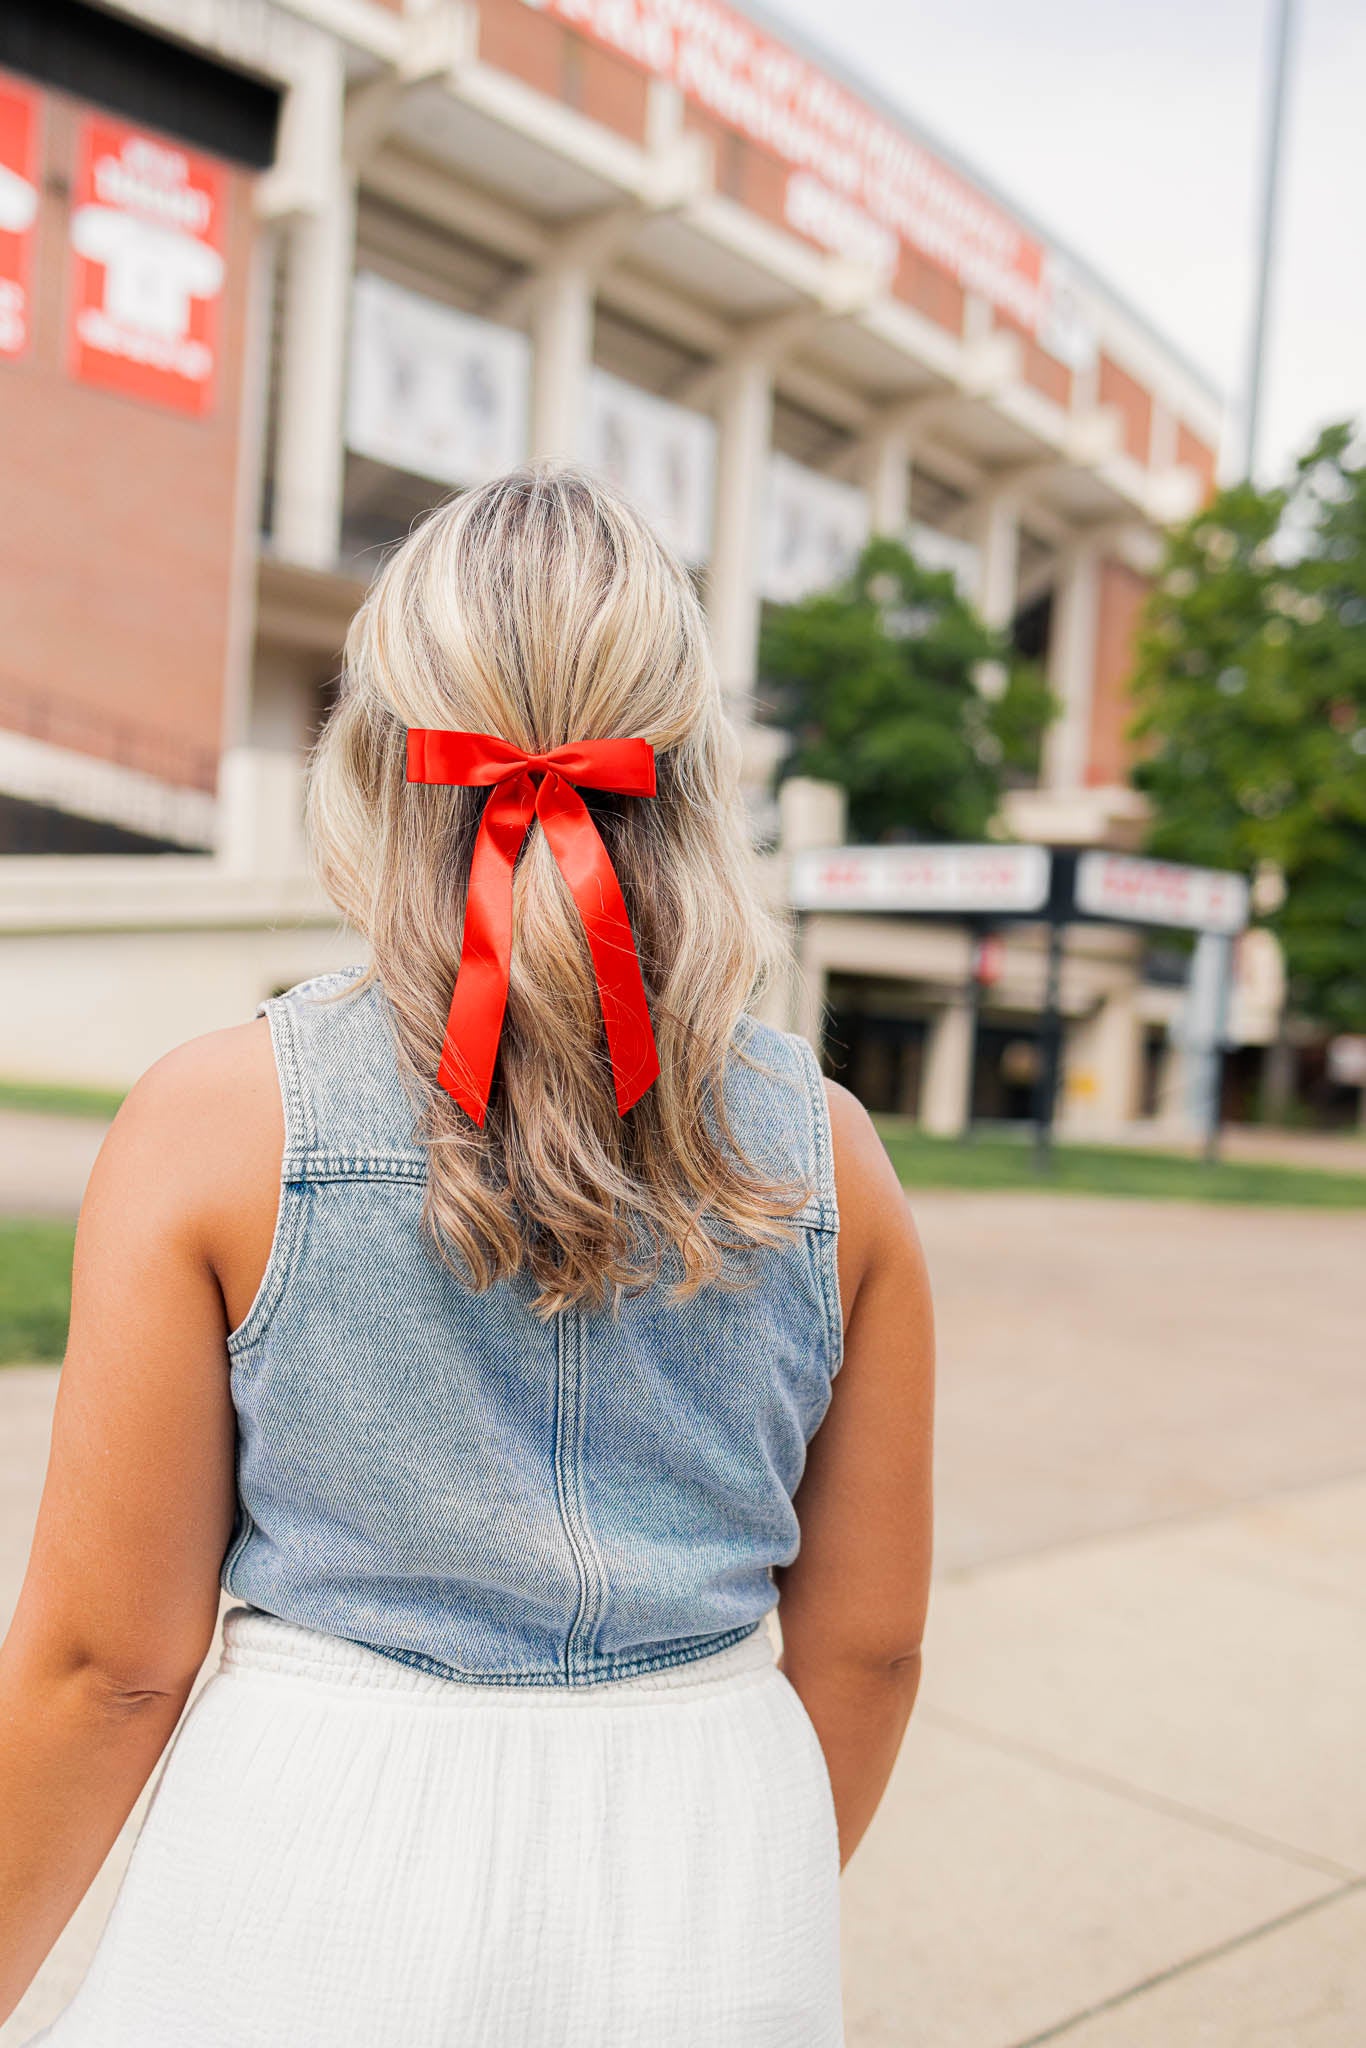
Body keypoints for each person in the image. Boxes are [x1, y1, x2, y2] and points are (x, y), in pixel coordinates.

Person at [0, 463, 934, 2047]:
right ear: (696, 773)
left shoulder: (218, 1126)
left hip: (313, 1862)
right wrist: (717, 1899)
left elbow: (107, 1668)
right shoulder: (833, 1155)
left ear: (374, 756)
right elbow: (869, 1644)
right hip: (707, 1859)